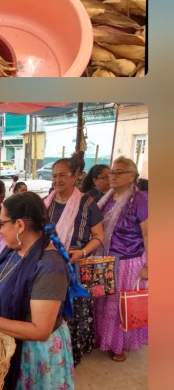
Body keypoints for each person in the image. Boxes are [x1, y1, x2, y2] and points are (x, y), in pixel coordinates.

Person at [0, 192, 79, 390]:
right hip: (9, 339)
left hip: (34, 353)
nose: (0, 229)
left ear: (20, 225)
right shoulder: (13, 250)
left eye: (2, 223)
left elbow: (40, 330)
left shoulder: (49, 266)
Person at [45, 156, 105, 365]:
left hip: (75, 265)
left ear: (76, 177)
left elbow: (99, 236)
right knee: (51, 308)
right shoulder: (47, 202)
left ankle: (72, 353)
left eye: (62, 175)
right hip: (49, 264)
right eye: (54, 176)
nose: (57, 180)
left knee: (74, 309)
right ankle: (53, 351)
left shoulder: (87, 203)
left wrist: (82, 253)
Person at [94, 157, 148, 362]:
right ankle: (104, 338)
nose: (112, 176)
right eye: (111, 172)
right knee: (103, 302)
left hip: (128, 262)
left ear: (132, 176)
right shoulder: (106, 198)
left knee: (120, 307)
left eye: (118, 172)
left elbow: (149, 235)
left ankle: (121, 345)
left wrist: (149, 266)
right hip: (104, 259)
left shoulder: (141, 199)